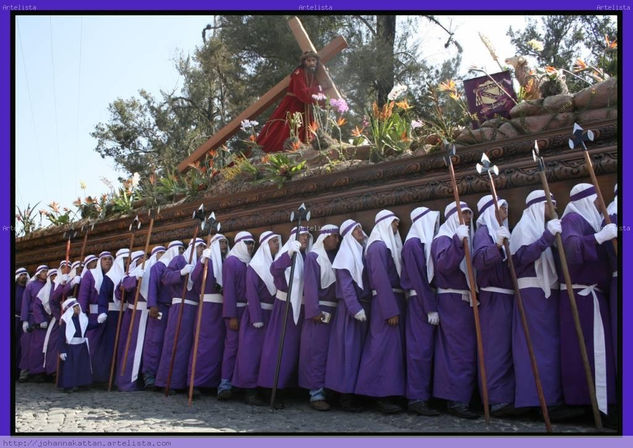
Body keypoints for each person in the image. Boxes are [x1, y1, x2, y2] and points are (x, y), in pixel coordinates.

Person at [510, 190, 573, 420]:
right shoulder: (524, 229)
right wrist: (547, 237)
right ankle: (537, 400)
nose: (554, 207)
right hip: (531, 295)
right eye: (550, 203)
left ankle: (551, 399)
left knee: (550, 348)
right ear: (538, 206)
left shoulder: (547, 228)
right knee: (535, 349)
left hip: (548, 294)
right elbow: (522, 257)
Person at [559, 183, 617, 418]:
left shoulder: (589, 219)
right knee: (587, 350)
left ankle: (597, 402)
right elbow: (572, 248)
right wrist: (598, 238)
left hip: (593, 293)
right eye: (595, 200)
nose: (599, 204)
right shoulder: (572, 219)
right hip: (581, 295)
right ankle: (594, 405)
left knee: (597, 350)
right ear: (586, 200)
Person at [431, 201, 479, 419]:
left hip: (463, 299)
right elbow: (444, 265)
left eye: (470, 214)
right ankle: (455, 400)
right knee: (458, 351)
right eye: (464, 214)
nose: (468, 218)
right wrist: (457, 242)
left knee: (464, 350)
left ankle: (461, 397)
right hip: (452, 299)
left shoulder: (464, 236)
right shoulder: (444, 239)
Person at [355, 210, 406, 414]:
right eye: (394, 224)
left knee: (391, 351)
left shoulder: (384, 246)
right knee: (380, 350)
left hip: (392, 301)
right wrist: (389, 310)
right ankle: (377, 393)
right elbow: (380, 280)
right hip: (385, 304)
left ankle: (388, 392)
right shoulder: (377, 247)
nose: (396, 228)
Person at [472, 195, 518, 417]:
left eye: (507, 207)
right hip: (493, 298)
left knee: (507, 350)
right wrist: (497, 245)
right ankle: (494, 398)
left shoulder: (503, 231)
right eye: (501, 207)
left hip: (508, 297)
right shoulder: (484, 233)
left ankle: (505, 396)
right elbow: (480, 260)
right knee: (494, 350)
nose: (505, 211)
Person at [257, 226, 312, 406]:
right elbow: (275, 270)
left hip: (301, 308)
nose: (304, 238)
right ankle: (271, 388)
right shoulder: (287, 254)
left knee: (295, 350)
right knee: (280, 349)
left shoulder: (306, 257)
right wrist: (289, 254)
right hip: (285, 308)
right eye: (302, 236)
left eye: (307, 236)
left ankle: (288, 387)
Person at [325, 219, 370, 412]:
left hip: (361, 309)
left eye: (361, 227)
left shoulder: (361, 252)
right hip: (349, 312)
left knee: (356, 353)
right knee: (347, 354)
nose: (360, 231)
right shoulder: (344, 256)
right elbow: (345, 285)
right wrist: (355, 308)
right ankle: (344, 397)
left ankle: (352, 393)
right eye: (356, 229)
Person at [400, 206, 441, 416]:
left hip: (426, 299)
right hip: (420, 302)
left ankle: (423, 396)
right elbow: (417, 280)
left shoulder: (420, 244)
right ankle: (416, 398)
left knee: (426, 350)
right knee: (419, 350)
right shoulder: (413, 245)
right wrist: (429, 308)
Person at [232, 231, 278, 406]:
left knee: (267, 354)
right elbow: (251, 293)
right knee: (251, 353)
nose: (277, 245)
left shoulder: (274, 264)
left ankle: (263, 388)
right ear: (266, 245)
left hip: (270, 315)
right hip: (255, 316)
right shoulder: (254, 267)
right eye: (274, 242)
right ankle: (249, 389)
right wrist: (256, 316)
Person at [155, 238, 206, 392]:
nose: (202, 249)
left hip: (195, 308)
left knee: (190, 346)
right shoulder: (179, 259)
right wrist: (181, 273)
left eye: (204, 247)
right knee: (174, 343)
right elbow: (165, 277)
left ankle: (185, 382)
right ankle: (167, 381)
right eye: (200, 247)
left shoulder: (202, 263)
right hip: (180, 306)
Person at [299, 224, 340, 411]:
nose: (337, 240)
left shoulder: (336, 256)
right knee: (316, 353)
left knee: (330, 353)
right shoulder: (313, 257)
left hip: (334, 310)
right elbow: (310, 285)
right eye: (334, 237)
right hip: (319, 312)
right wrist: (314, 311)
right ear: (324, 238)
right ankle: (316, 393)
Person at [256, 51, 325, 153]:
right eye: (308, 60)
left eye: (313, 60)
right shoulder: (298, 73)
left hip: (305, 107)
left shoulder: (314, 75)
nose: (311, 63)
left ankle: (303, 149)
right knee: (285, 129)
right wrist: (318, 89)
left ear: (316, 62)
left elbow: (315, 95)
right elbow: (301, 93)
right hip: (293, 105)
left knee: (307, 130)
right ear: (304, 62)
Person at [188, 234, 229, 395]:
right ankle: (195, 382)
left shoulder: (227, 261)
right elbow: (193, 278)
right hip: (206, 307)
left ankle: (211, 382)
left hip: (221, 307)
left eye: (226, 242)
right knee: (202, 344)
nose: (225, 245)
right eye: (222, 243)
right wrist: (202, 261)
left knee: (218, 346)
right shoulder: (207, 261)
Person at [142, 242, 180, 389]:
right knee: (154, 340)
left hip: (172, 308)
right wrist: (153, 305)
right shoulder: (159, 266)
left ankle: (162, 376)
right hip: (160, 308)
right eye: (179, 249)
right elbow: (152, 286)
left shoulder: (176, 267)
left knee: (168, 342)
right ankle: (149, 375)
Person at [88, 249, 123, 384]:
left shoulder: (120, 275)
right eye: (105, 259)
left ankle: (115, 378)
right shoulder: (103, 277)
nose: (108, 261)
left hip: (122, 314)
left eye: (110, 259)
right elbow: (91, 296)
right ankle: (101, 377)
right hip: (104, 316)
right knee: (103, 347)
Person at [114, 250, 148, 391]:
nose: (145, 260)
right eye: (142, 258)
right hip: (135, 314)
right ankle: (128, 380)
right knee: (133, 347)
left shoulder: (149, 271)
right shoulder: (130, 274)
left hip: (146, 313)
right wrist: (135, 279)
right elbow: (121, 290)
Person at [57, 298, 100, 392]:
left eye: (78, 306)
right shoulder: (65, 321)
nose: (78, 308)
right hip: (70, 347)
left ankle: (83, 384)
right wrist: (62, 351)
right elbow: (61, 337)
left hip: (81, 345)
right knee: (70, 367)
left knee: (82, 366)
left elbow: (88, 326)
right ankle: (68, 386)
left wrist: (99, 322)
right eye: (75, 307)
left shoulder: (82, 319)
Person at [21, 265, 52, 382]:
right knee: (29, 346)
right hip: (32, 319)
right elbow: (25, 303)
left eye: (46, 271)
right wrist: (24, 321)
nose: (45, 273)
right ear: (38, 273)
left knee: (43, 346)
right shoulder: (31, 286)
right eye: (43, 271)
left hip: (46, 318)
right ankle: (28, 372)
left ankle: (42, 371)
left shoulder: (49, 285)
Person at [15, 267, 30, 380]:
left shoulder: (28, 288)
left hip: (24, 320)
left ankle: (19, 372)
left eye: (25, 274)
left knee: (22, 346)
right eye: (21, 275)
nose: (23, 277)